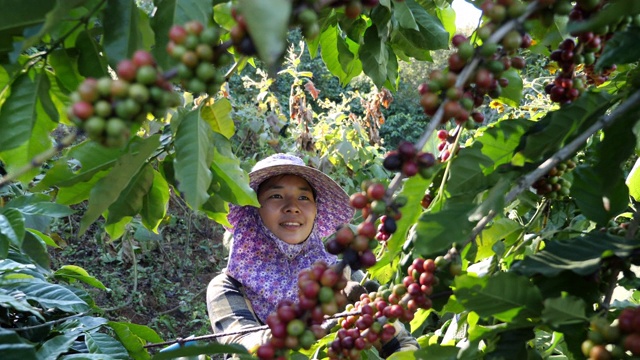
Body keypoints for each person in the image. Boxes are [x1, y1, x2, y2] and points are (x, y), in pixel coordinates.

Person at [206, 153, 418, 357]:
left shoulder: (340, 273)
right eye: (276, 196)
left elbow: (403, 343)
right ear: (254, 210)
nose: (292, 207)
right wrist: (324, 323)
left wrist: (370, 317)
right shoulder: (228, 286)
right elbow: (242, 347)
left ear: (316, 211)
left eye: (303, 197)